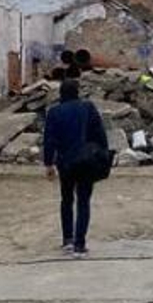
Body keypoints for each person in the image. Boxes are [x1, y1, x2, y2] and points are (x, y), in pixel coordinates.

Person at [42, 78, 110, 256]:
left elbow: (49, 140)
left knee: (66, 200)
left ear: (61, 93)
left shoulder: (54, 112)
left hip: (65, 163)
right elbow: (100, 134)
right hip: (86, 162)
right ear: (77, 91)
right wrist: (103, 154)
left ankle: (67, 240)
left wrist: (48, 163)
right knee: (83, 201)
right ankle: (80, 245)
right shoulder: (88, 108)